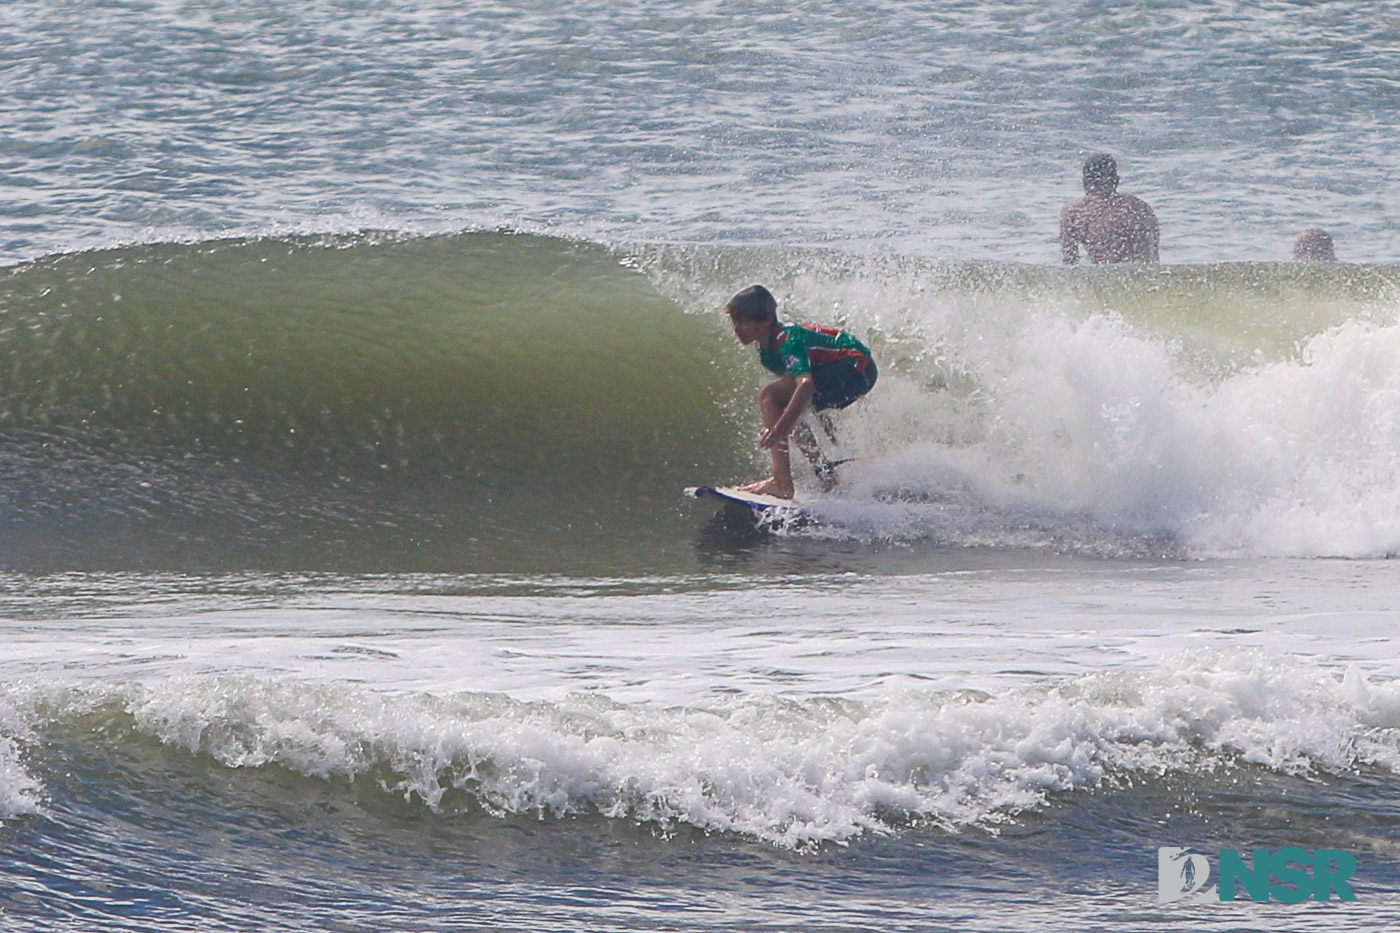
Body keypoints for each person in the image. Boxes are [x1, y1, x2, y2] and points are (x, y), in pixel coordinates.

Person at [724, 285, 877, 499]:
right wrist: (815, 420)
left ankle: (781, 481)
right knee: (784, 408)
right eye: (735, 322)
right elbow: (800, 393)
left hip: (857, 366)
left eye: (744, 322)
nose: (737, 328)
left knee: (769, 395)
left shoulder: (786, 341)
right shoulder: (767, 351)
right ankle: (825, 474)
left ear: (767, 320)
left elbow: (805, 385)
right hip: (851, 370)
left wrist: (777, 430)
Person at [1060, 153, 1160, 264]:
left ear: (1085, 182)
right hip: (1139, 276)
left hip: (1103, 278)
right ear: (1116, 181)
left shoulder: (1075, 212)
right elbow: (1152, 256)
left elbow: (1070, 262)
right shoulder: (1139, 208)